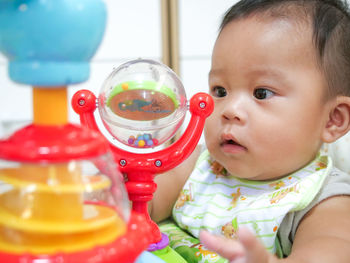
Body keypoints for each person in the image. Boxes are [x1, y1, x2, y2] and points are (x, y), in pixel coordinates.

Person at [149, 0, 350, 262]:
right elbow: (142, 199)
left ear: (332, 119)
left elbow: (329, 250)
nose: (230, 109)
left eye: (261, 93)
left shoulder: (324, 200)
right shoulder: (199, 165)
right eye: (220, 91)